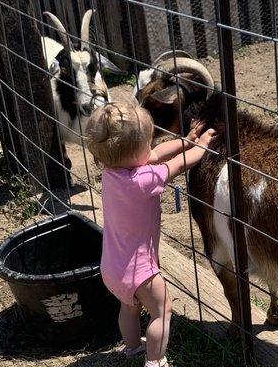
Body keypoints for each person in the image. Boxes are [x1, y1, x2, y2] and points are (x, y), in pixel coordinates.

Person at [85, 99, 217, 367]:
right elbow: (178, 165)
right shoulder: (142, 181)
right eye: (147, 142)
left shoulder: (111, 171)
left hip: (112, 266)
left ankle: (133, 349)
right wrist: (201, 146)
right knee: (161, 311)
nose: (152, 147)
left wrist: (186, 139)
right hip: (140, 270)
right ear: (137, 153)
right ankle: (155, 361)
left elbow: (155, 153)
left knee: (129, 308)